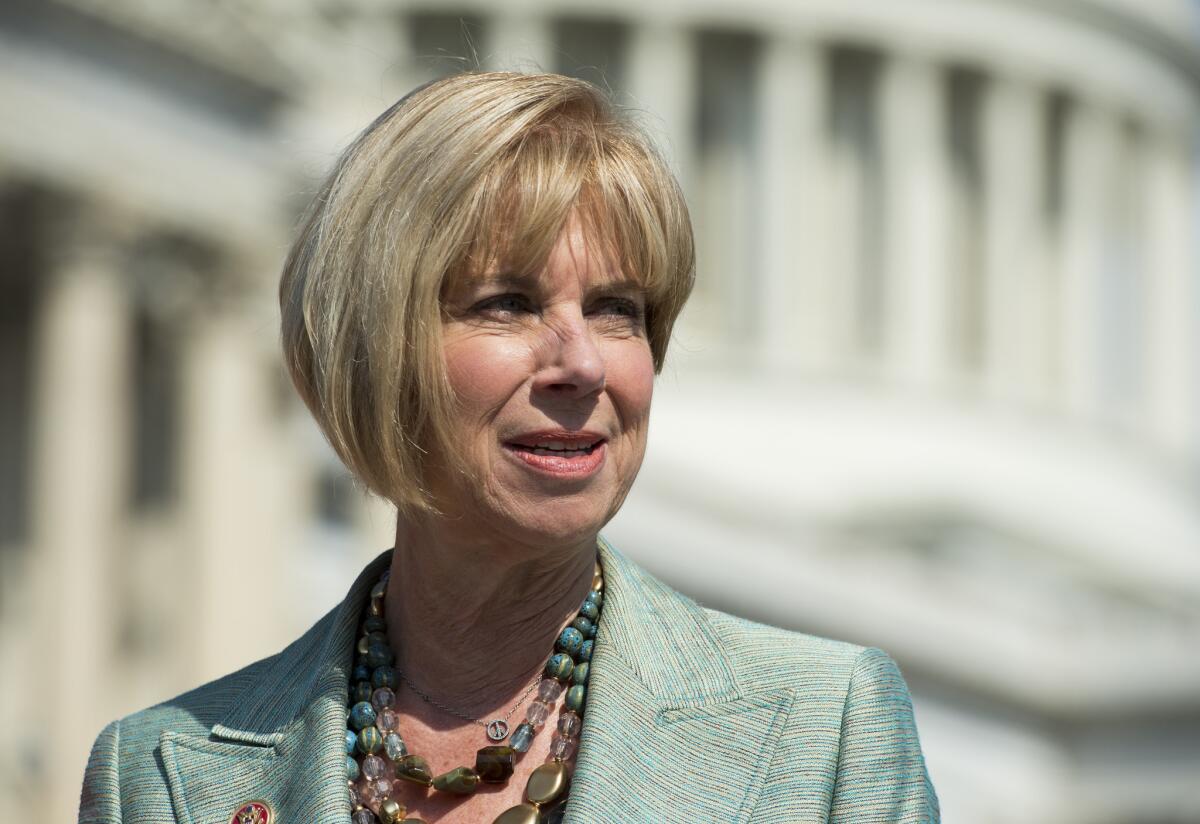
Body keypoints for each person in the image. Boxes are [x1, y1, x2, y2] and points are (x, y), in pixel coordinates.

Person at [78, 71, 939, 824]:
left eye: (618, 310)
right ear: (372, 349)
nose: (584, 364)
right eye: (507, 304)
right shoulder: (159, 777)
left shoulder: (821, 732)